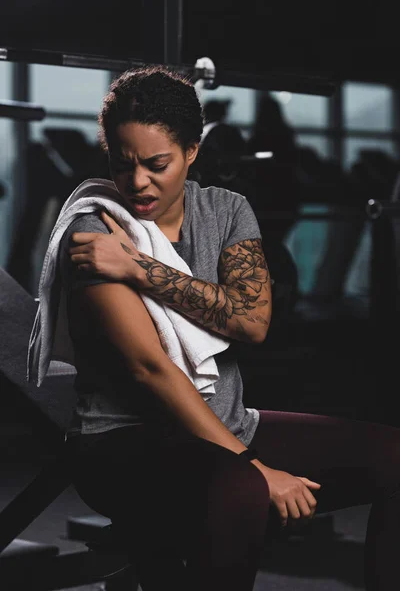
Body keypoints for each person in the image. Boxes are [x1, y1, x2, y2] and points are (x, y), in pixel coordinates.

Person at [59, 65, 400, 591]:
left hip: (229, 425)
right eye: (122, 164)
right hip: (122, 441)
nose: (137, 182)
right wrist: (258, 469)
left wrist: (138, 268)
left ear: (192, 151)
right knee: (241, 488)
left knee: (393, 457)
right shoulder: (94, 226)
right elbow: (148, 367)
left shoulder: (225, 210)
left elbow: (252, 320)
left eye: (157, 164)